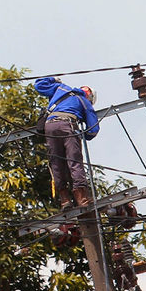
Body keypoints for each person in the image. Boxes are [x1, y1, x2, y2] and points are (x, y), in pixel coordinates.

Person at [34, 77, 99, 209]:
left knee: (56, 163)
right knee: (74, 161)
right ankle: (82, 199)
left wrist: (53, 79)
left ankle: (65, 200)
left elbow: (39, 85)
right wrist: (84, 134)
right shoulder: (84, 101)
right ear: (90, 96)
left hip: (50, 126)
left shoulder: (61, 89)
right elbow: (93, 130)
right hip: (67, 125)